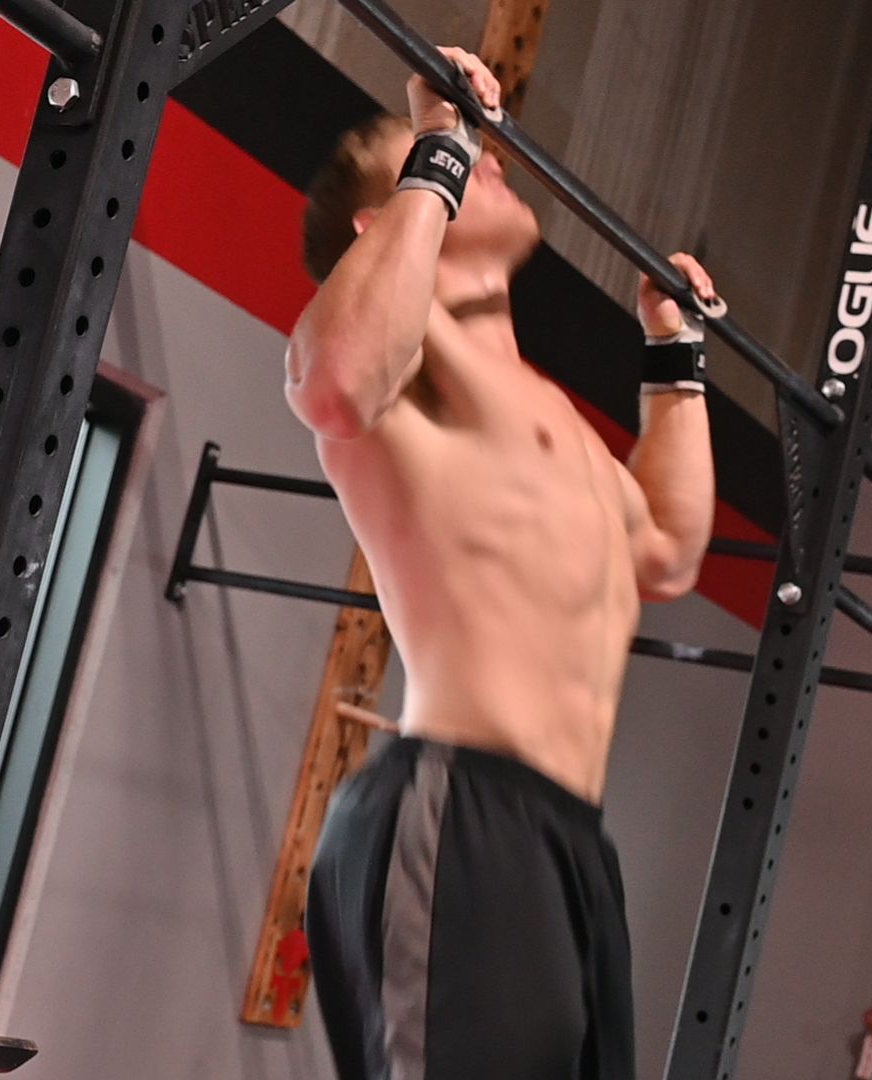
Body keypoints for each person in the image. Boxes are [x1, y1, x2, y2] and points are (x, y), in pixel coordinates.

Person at [286, 45, 719, 1080]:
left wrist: (673, 359)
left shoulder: (546, 417)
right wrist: (439, 144)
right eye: (449, 161)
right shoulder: (402, 364)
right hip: (459, 808)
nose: (486, 160)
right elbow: (336, 381)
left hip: (565, 835)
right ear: (382, 218)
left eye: (477, 154)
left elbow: (665, 549)